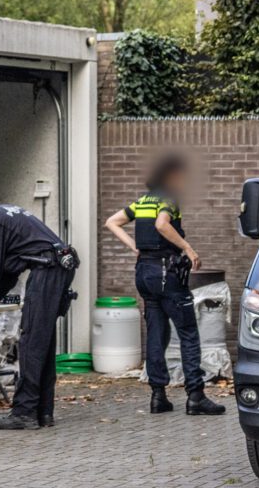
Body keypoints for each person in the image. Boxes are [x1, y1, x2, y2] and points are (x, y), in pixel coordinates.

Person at [105, 155, 225, 416]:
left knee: (156, 334)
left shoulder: (142, 201)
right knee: (188, 333)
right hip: (166, 273)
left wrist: (135, 247)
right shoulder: (168, 199)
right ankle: (196, 396)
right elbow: (162, 225)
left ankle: (158, 397)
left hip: (144, 275)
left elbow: (112, 222)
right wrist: (188, 248)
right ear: (171, 176)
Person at [0, 196, 78, 430]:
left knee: (31, 341)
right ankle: (43, 411)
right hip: (56, 266)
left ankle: (24, 412)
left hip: (47, 270)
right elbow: (8, 272)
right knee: (43, 342)